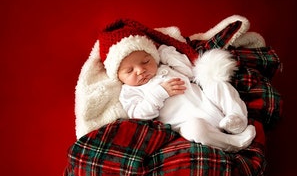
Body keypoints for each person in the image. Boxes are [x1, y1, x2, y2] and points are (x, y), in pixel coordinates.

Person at [98, 20, 256, 152]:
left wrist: (167, 54)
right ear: (117, 76)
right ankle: (233, 143)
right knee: (195, 130)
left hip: (210, 103)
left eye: (146, 61)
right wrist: (159, 93)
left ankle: (237, 117)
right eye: (129, 70)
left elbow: (190, 70)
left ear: (154, 56)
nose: (140, 70)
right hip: (188, 122)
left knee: (216, 83)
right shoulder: (129, 91)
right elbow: (139, 116)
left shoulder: (165, 68)